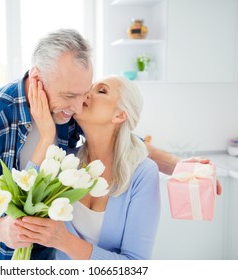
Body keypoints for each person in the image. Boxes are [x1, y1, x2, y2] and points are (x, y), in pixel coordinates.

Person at [0, 28, 218, 260]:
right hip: (7, 258)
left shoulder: (70, 112)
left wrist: (181, 166)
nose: (78, 106)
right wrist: (0, 229)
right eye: (69, 95)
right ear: (38, 79)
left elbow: (122, 140)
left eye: (86, 93)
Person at [14, 75, 160, 260]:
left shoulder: (143, 174)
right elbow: (21, 208)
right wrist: (46, 136)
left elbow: (136, 265)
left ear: (120, 114)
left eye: (101, 90)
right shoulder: (66, 161)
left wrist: (64, 241)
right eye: (88, 88)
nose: (85, 95)